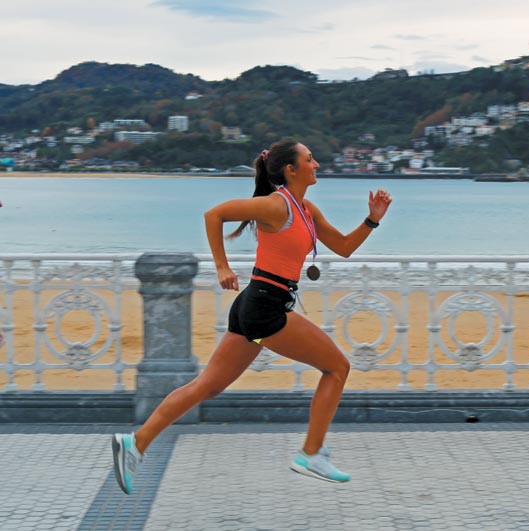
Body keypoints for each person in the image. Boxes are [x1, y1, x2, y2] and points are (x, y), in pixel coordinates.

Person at [112, 141, 392, 493]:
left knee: (207, 386)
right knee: (337, 368)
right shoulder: (276, 206)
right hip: (264, 308)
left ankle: (135, 444)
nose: (317, 164)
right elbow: (214, 214)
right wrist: (222, 266)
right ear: (291, 170)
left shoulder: (307, 210)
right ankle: (311, 453)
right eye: (309, 160)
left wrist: (372, 220)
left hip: (255, 305)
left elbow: (346, 247)